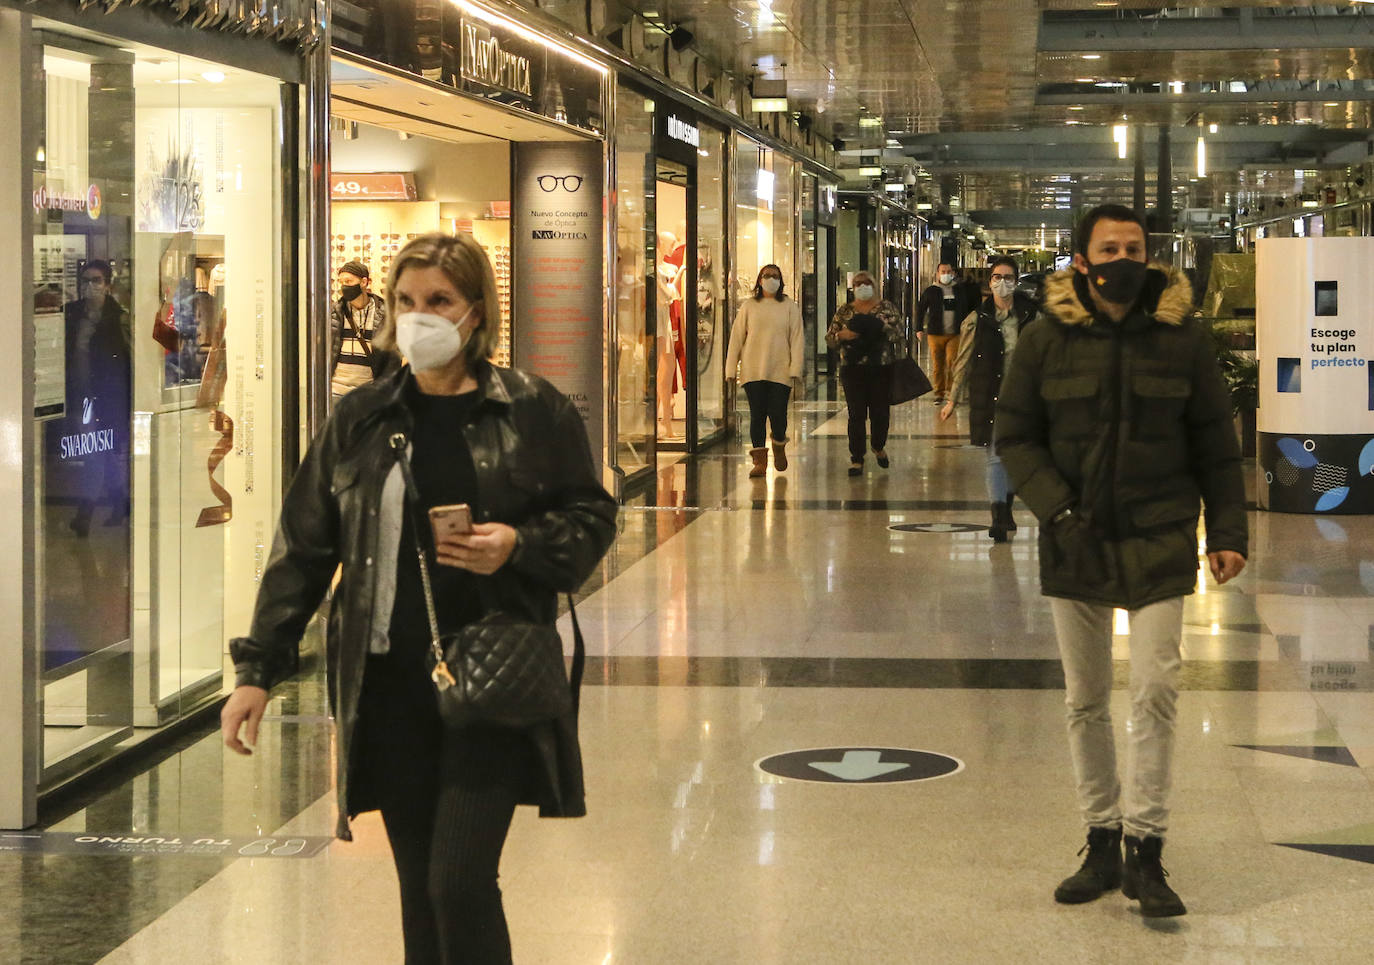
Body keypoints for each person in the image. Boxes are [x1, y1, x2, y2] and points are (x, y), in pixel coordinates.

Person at [221, 233, 618, 964]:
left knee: (458, 883)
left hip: (491, 672)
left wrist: (518, 544)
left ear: (476, 311)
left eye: (438, 300)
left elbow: (593, 519)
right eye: (405, 301)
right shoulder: (361, 418)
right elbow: (304, 547)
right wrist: (257, 669)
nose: (418, 316)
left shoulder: (532, 410)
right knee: (418, 889)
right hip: (390, 679)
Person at [996, 204, 1248, 920]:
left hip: (1160, 533)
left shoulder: (1182, 338)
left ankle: (1147, 847)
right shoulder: (1045, 339)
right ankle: (1101, 838)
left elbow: (1215, 441)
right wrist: (1056, 510)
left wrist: (1227, 530)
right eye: (1108, 249)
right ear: (1081, 261)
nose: (1123, 260)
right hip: (1075, 534)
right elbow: (1015, 435)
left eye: (1134, 248)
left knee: (1156, 688)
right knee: (1085, 697)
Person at [940, 256, 1041, 541]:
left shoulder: (1032, 315)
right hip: (990, 394)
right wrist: (952, 399)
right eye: (997, 277)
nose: (1002, 283)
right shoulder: (977, 319)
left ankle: (1005, 507)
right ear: (990, 281)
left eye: (1008, 277)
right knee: (995, 455)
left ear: (1016, 281)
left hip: (1025, 397)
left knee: (1014, 456)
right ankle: (998, 515)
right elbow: (963, 360)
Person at [64, 259, 131, 536]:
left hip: (107, 398)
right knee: (101, 452)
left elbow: (128, 361)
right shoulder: (71, 314)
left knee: (94, 452)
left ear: (107, 285)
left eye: (96, 280)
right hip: (80, 396)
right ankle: (120, 501)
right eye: (86, 280)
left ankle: (84, 514)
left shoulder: (118, 318)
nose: (90, 286)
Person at [724, 264, 804, 478]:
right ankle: (759, 461)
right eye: (767, 275)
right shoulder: (749, 306)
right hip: (753, 371)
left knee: (778, 415)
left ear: (781, 281)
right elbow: (736, 338)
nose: (771, 279)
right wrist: (730, 368)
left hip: (780, 371)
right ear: (760, 280)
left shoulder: (789, 307)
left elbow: (797, 339)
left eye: (775, 276)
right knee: (757, 415)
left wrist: (796, 367)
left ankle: (779, 444)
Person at [826, 270, 905, 476]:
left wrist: (879, 328)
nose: (862, 286)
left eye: (867, 282)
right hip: (852, 369)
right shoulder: (845, 311)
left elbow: (898, 334)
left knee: (880, 412)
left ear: (874, 285)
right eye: (858, 283)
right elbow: (830, 338)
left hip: (880, 368)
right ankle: (857, 458)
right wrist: (842, 336)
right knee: (856, 414)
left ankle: (878, 446)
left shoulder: (886, 308)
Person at [330, 260, 398, 401]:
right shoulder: (335, 312)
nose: (344, 286)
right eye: (341, 282)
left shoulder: (384, 314)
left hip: (368, 393)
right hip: (335, 390)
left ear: (364, 282)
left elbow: (392, 357)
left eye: (348, 281)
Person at [916, 262, 980, 404]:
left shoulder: (959, 290)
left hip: (955, 333)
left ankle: (952, 392)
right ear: (937, 274)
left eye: (948, 271)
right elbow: (920, 310)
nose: (946, 274)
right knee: (938, 365)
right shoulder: (931, 291)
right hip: (935, 333)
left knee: (952, 362)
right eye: (943, 272)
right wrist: (919, 328)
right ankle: (939, 392)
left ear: (953, 273)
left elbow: (967, 307)